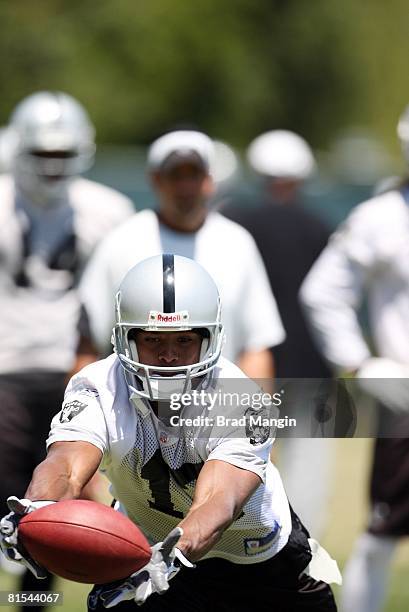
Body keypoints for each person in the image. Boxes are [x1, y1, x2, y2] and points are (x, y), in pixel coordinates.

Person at [1, 254, 340, 611]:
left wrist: (170, 555)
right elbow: (66, 464)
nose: (168, 357)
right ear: (125, 339)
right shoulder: (98, 385)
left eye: (183, 341)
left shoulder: (242, 401)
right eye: (153, 340)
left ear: (210, 340)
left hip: (263, 566)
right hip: (146, 554)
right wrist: (38, 508)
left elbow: (218, 502)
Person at [0, 91, 134, 602]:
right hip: (6, 367)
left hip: (76, 372)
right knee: (12, 498)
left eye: (62, 154)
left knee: (59, 504)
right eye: (43, 155)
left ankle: (34, 598)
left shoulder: (110, 211)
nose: (53, 166)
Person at [300, 105, 409, 612]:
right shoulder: (381, 217)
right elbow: (323, 291)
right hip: (404, 396)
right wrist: (358, 364)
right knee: (383, 530)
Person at [77, 129, 285, 380]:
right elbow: (87, 345)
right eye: (175, 175)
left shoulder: (237, 243)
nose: (185, 186)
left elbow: (256, 346)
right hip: (132, 410)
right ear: (155, 179)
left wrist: (252, 413)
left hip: (214, 409)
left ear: (208, 180)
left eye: (193, 175)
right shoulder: (121, 242)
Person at [221, 130, 333, 536]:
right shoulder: (321, 227)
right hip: (312, 368)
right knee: (309, 472)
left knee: (242, 462)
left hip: (251, 366)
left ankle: (246, 547)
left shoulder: (235, 225)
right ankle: (303, 556)